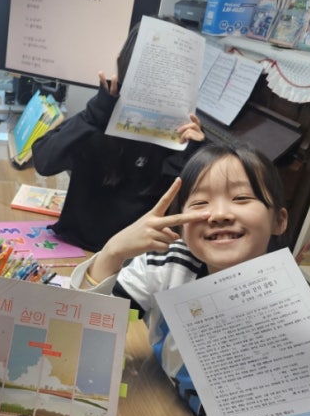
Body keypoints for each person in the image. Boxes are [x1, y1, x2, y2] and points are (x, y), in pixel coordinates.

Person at [70, 143, 310, 416]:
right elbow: (81, 337)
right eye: (200, 202)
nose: (218, 214)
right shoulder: (166, 268)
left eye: (241, 198)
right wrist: (111, 253)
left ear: (279, 220)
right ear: (181, 222)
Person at [31, 18, 204, 251]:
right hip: (79, 248)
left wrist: (192, 152)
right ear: (124, 65)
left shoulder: (184, 135)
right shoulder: (100, 115)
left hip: (136, 259)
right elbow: (44, 161)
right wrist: (94, 116)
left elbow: (181, 207)